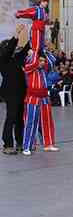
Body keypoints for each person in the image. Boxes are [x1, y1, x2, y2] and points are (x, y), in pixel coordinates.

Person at [22, 50, 60, 156]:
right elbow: (31, 61)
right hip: (32, 98)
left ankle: (48, 144)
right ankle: (27, 146)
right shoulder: (29, 68)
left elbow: (53, 60)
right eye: (40, 60)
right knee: (31, 122)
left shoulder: (44, 70)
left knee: (47, 121)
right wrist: (34, 52)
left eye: (43, 61)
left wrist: (44, 50)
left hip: (44, 98)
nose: (42, 62)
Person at [0, 25, 29, 155]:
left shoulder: (16, 59)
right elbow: (9, 50)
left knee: (19, 118)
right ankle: (7, 144)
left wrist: (35, 36)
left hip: (21, 91)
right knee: (11, 117)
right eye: (9, 47)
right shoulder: (3, 60)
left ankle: (20, 142)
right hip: (10, 93)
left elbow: (25, 50)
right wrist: (16, 34)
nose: (14, 49)